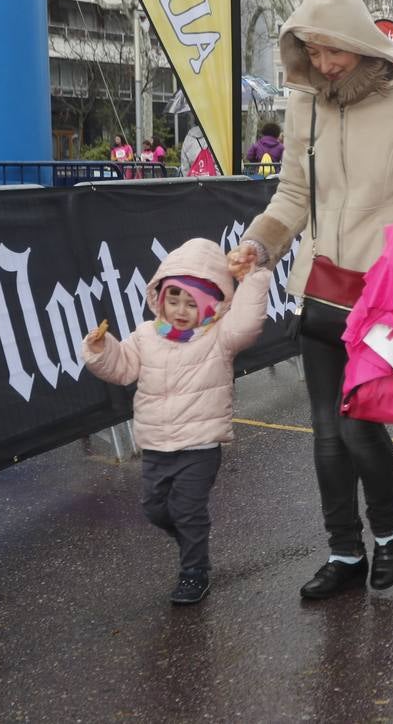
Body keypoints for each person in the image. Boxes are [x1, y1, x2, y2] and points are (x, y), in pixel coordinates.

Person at [227, 0, 393, 600]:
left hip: (387, 288)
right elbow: (293, 195)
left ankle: (387, 533)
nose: (321, 63)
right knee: (325, 429)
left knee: (362, 426)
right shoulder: (305, 103)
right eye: (310, 52)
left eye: (330, 50)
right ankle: (343, 553)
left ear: (360, 44)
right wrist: (260, 245)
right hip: (322, 288)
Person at [82, 238, 271, 605]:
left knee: (187, 509)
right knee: (155, 509)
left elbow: (248, 320)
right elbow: (122, 369)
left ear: (211, 307)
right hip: (155, 444)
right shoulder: (145, 336)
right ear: (160, 297)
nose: (181, 310)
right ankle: (191, 539)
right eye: (174, 299)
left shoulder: (219, 337)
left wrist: (255, 276)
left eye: (192, 303)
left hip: (199, 446)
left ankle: (194, 572)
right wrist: (101, 350)